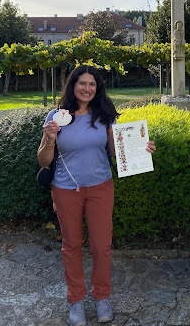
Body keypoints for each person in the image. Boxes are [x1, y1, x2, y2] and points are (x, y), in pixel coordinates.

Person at [37, 65, 155, 326]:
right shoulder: (57, 116)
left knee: (102, 246)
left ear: (98, 88)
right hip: (66, 189)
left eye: (92, 84)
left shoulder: (104, 116)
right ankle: (76, 300)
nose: (87, 88)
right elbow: (44, 161)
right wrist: (49, 139)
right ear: (73, 85)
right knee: (71, 245)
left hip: (101, 187)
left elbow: (116, 151)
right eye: (82, 83)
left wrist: (140, 148)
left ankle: (102, 297)